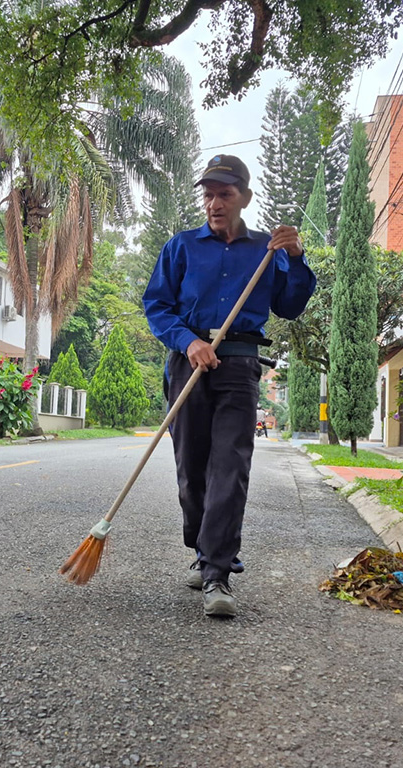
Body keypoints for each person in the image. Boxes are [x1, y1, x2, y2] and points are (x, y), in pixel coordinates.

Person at [143, 154, 317, 618]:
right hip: (187, 364)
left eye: (225, 193)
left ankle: (217, 569)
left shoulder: (267, 250)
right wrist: (189, 341)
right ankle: (203, 548)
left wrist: (296, 258)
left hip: (239, 365)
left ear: (245, 197)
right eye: (209, 194)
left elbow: (292, 306)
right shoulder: (180, 247)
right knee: (191, 471)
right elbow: (157, 307)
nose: (215, 202)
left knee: (231, 467)